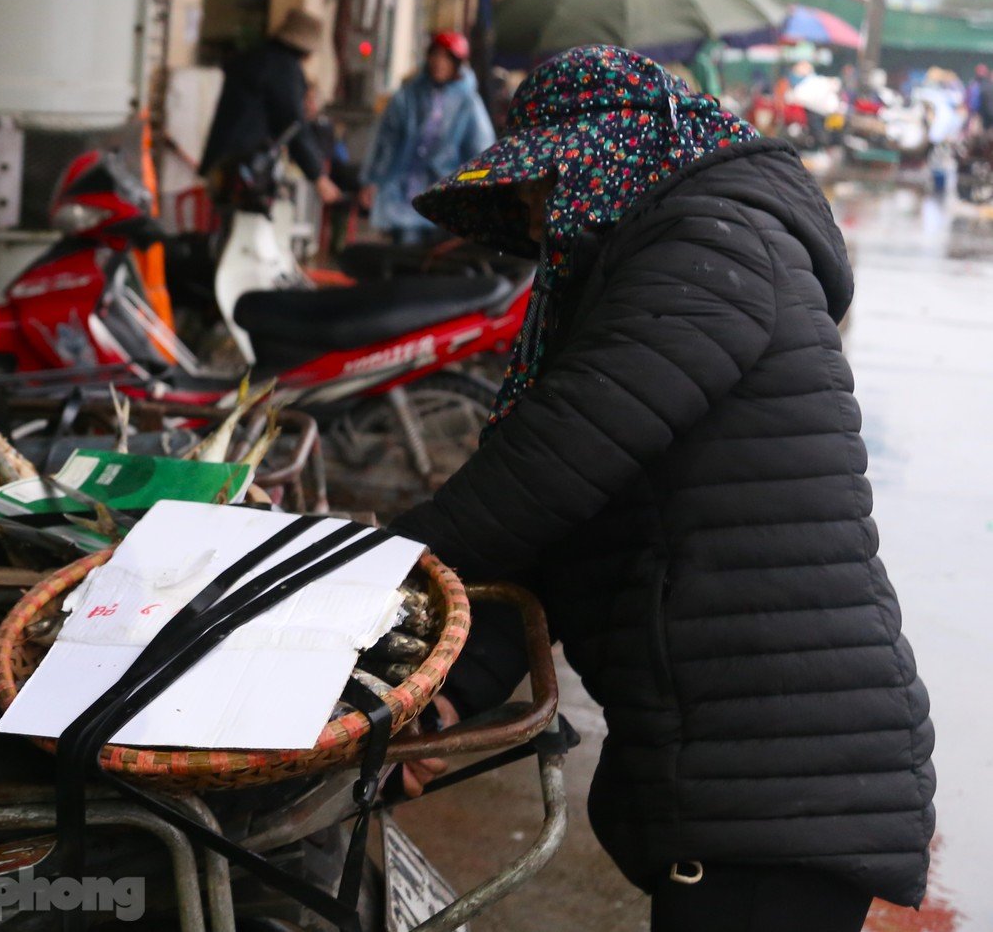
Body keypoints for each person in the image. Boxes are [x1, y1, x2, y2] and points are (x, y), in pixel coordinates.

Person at [393, 46, 935, 931]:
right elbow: (558, 532)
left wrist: (353, 578)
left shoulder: (711, 246)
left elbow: (550, 463)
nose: (535, 215)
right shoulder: (651, 262)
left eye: (542, 185)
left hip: (779, 781)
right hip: (728, 772)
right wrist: (443, 692)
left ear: (607, 159)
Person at [359, 30, 494, 245]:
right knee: (405, 255)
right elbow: (386, 142)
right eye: (436, 55)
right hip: (404, 196)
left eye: (447, 58)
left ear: (458, 64)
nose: (439, 63)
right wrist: (372, 181)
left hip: (446, 199)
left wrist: (474, 194)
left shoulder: (468, 103)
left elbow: (481, 152)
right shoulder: (408, 96)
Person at [201, 8, 345, 205]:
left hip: (222, 163)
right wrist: (319, 177)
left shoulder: (255, 57)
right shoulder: (283, 69)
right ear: (306, 48)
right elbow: (293, 124)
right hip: (244, 169)